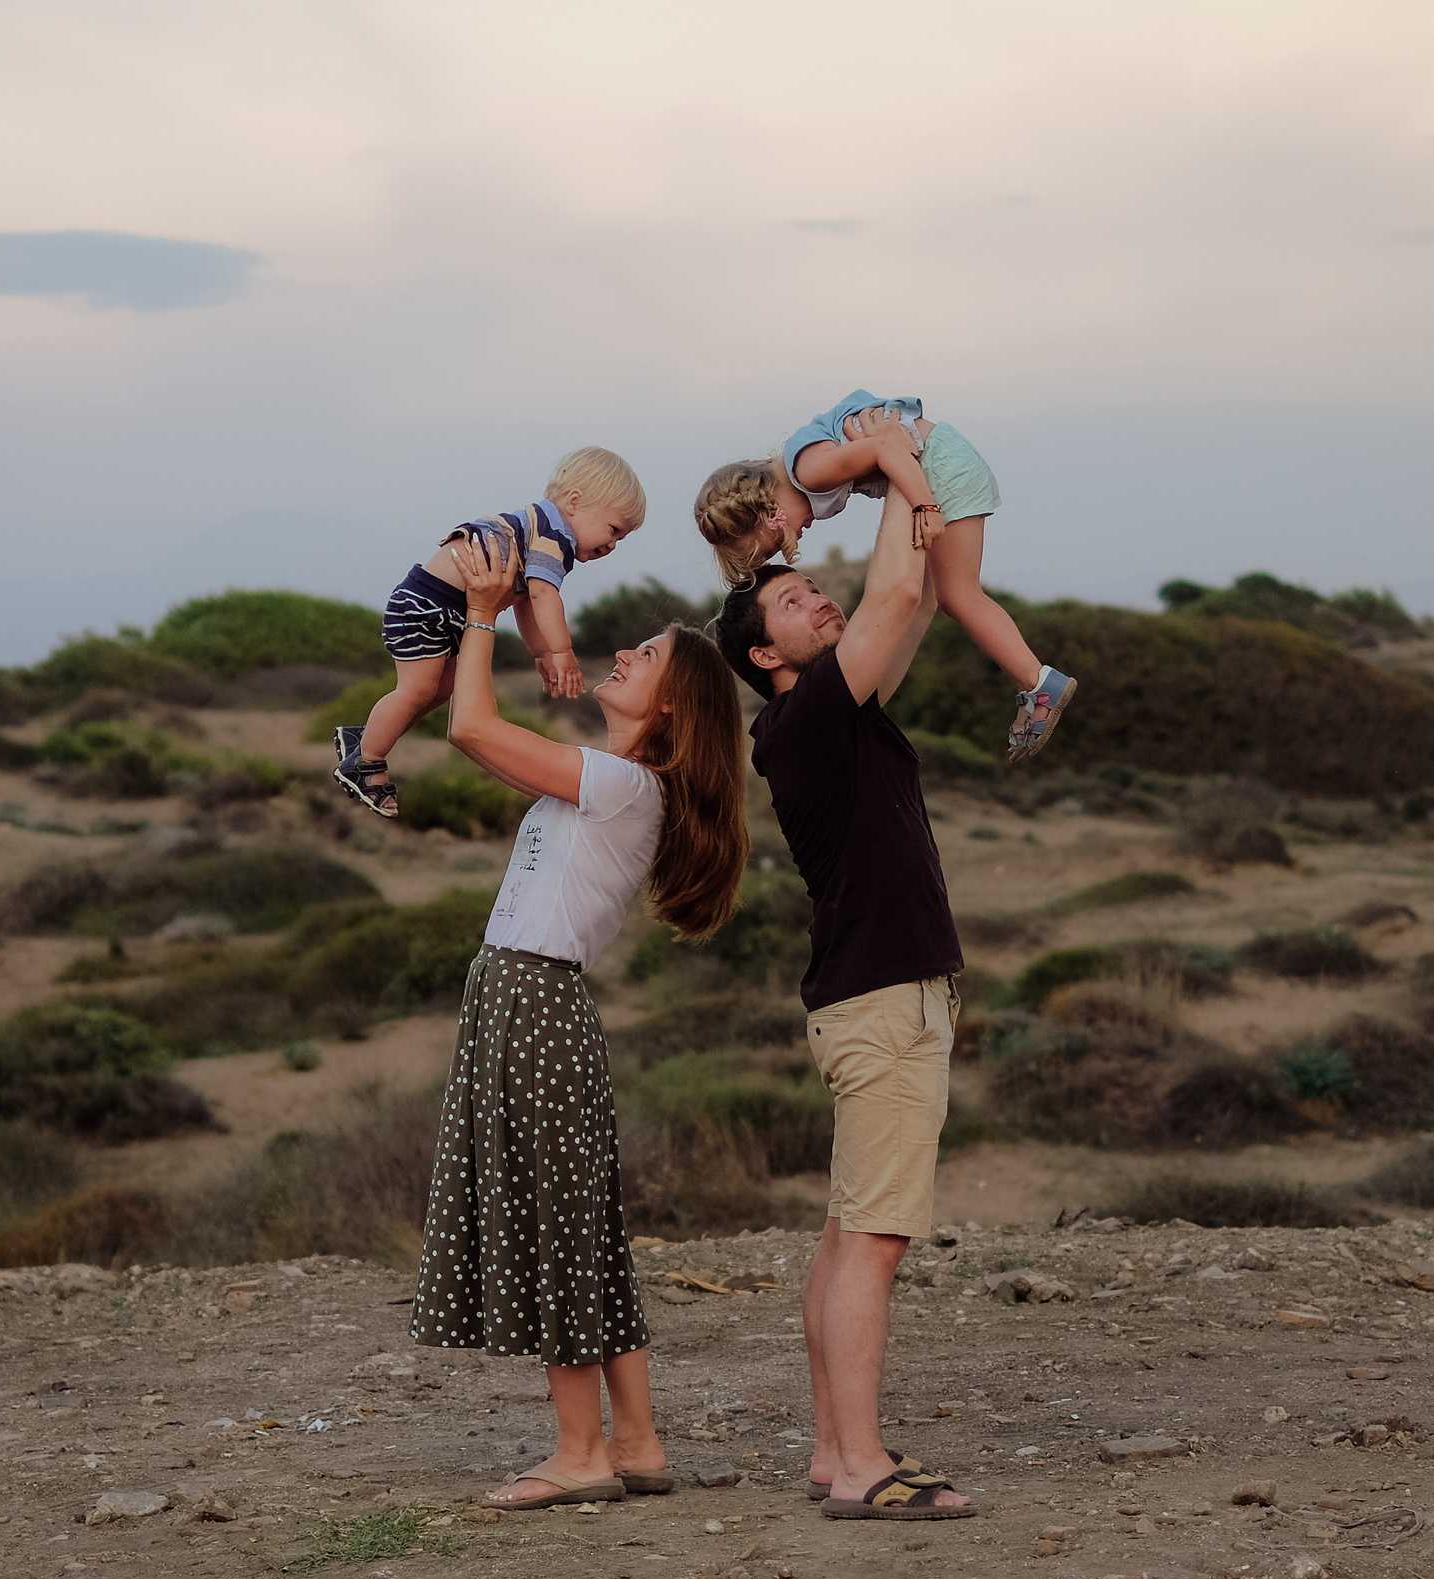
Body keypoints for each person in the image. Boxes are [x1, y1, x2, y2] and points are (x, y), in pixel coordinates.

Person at [407, 527, 748, 1510]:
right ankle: (633, 1443)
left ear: (672, 706)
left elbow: (470, 728)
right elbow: (492, 728)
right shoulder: (618, 780)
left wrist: (476, 614)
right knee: (583, 1227)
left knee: (557, 1229)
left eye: (646, 656)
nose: (624, 654)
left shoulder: (620, 785)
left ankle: (579, 1454)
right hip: (530, 1000)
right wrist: (521, 612)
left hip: (530, 998)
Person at [713, 443, 983, 1523]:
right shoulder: (810, 714)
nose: (814, 599)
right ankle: (865, 1466)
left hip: (868, 997)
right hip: (881, 1002)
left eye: (811, 587)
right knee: (871, 1242)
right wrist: (893, 463)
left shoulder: (831, 714)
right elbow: (899, 588)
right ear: (764, 655)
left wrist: (891, 497)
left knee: (843, 1240)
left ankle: (837, 1454)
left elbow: (909, 603)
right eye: (791, 600)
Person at [692, 392, 1077, 762]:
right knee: (951, 595)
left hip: (939, 469)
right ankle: (1027, 682)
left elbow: (886, 449)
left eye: (777, 540)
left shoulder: (810, 471)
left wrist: (925, 504)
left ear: (766, 512)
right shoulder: (804, 458)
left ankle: (1038, 682)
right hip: (941, 461)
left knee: (959, 596)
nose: (794, 539)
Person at [332, 448, 646, 819]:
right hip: (427, 605)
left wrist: (542, 653)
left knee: (442, 689)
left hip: (445, 607)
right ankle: (365, 762)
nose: (612, 545)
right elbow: (543, 596)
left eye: (620, 539)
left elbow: (526, 601)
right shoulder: (553, 537)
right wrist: (561, 652)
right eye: (613, 530)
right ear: (575, 502)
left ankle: (364, 736)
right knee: (417, 689)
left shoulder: (540, 532)